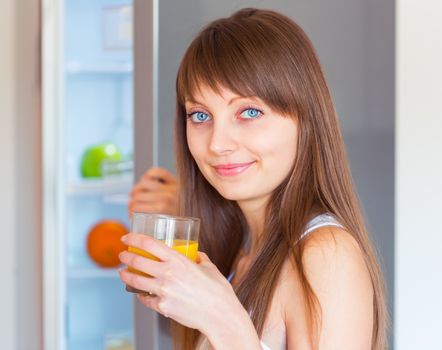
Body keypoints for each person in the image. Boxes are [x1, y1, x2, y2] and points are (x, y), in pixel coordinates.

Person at [119, 8, 389, 350]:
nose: (217, 144)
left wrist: (225, 322)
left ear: (306, 119)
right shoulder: (241, 253)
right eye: (200, 115)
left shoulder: (326, 256)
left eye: (249, 112)